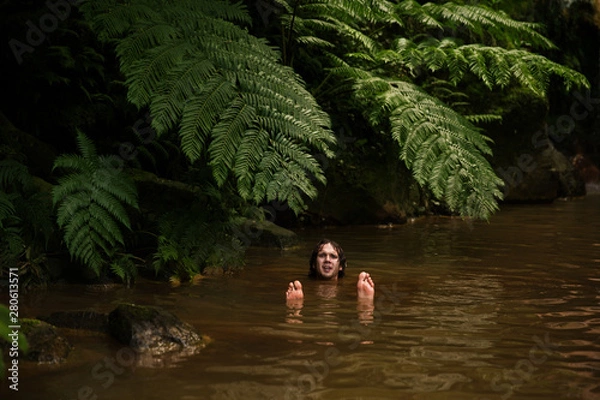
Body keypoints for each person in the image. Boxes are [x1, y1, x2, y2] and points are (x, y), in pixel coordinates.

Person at [285, 238, 375, 304]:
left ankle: (365, 303)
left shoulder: (349, 288)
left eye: (333, 256)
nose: (327, 259)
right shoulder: (304, 286)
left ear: (340, 266)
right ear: (313, 264)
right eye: (322, 255)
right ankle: (295, 307)